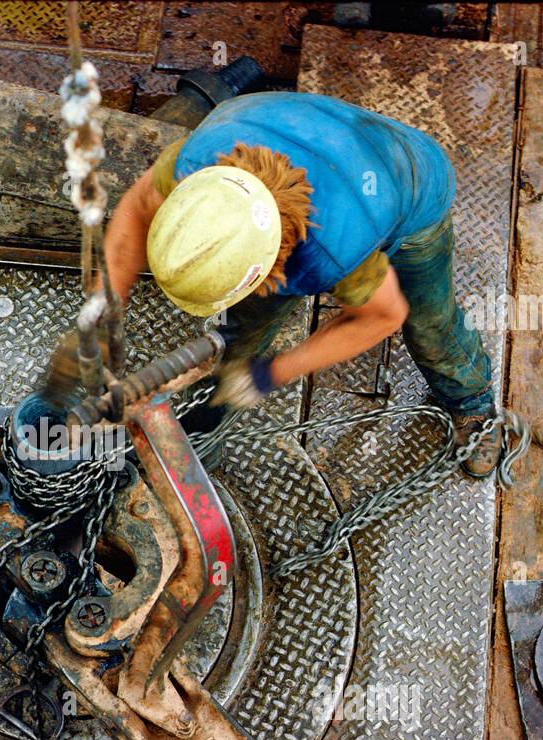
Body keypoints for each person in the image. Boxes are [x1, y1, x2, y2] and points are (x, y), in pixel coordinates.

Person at [103, 91, 502, 477]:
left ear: (266, 266)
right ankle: (203, 431)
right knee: (241, 333)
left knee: (429, 319)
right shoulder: (197, 163)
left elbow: (383, 317)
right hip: (304, 130)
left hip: (409, 180)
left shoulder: (331, 251)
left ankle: (472, 399)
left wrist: (274, 372)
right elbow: (137, 211)